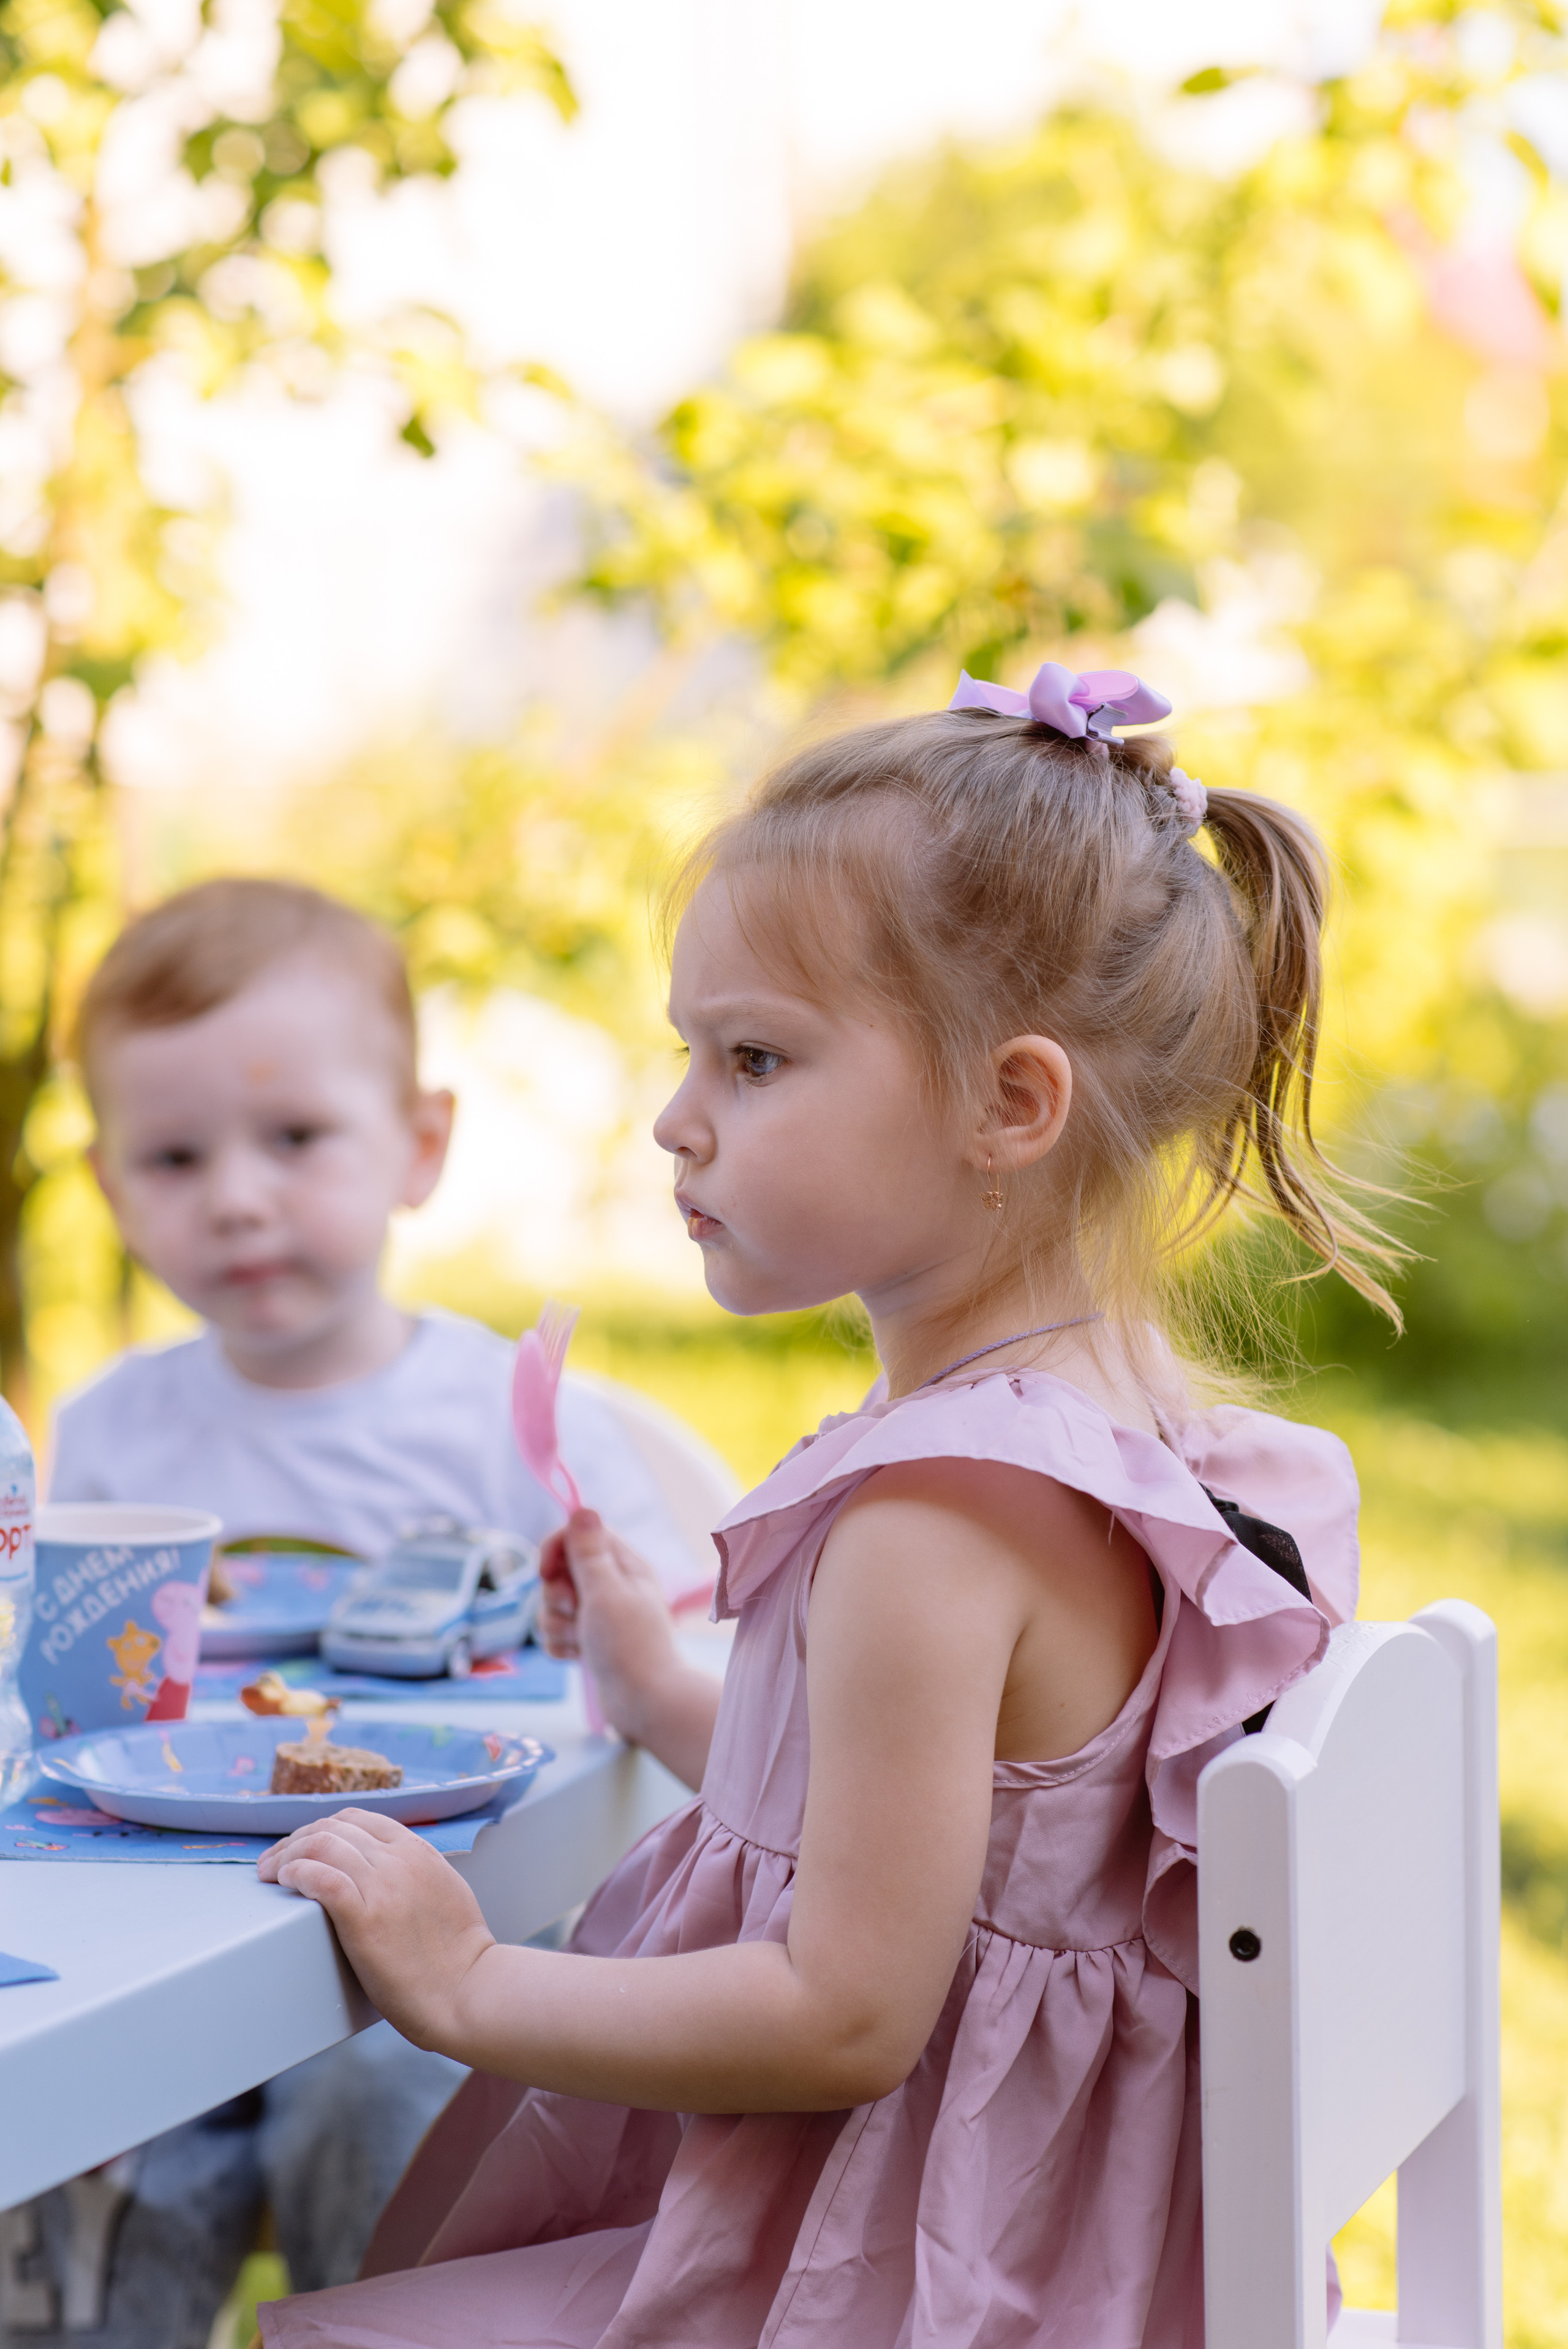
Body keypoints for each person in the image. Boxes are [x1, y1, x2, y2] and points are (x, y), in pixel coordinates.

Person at [251, 666, 1387, 2349]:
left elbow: (844, 2008)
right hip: (1104, 2246)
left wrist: (473, 1979)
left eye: (757, 1057)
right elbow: (982, 1855)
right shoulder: (1164, 1443)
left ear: (1012, 1103)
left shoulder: (935, 1522)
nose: (675, 1117)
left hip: (919, 2267)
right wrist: (665, 1698)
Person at [4, 879, 695, 2349]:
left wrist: (595, 1618)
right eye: (174, 1157)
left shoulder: (502, 1412)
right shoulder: (116, 1426)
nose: (237, 1196)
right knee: (88, 2156)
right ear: (113, 1187)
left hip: (441, 1939)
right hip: (169, 1917)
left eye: (294, 1138)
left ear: (418, 1146)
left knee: (378, 2107)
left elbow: (678, 1636)